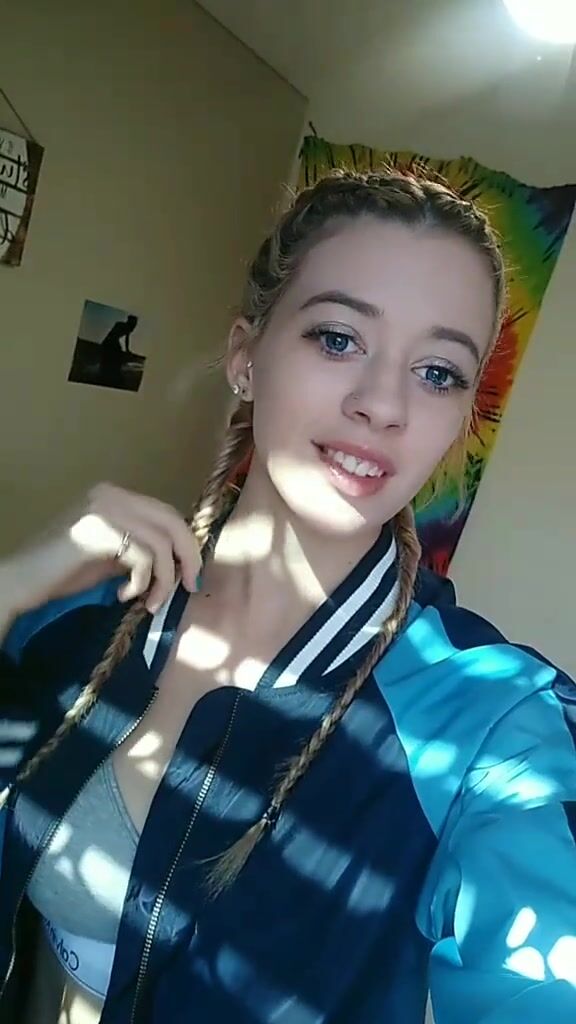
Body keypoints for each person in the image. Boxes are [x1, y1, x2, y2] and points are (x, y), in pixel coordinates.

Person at [0, 169, 575, 1024]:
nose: (382, 404)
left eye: (437, 372)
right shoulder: (85, 609)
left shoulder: (489, 720)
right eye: (339, 339)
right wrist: (8, 589)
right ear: (246, 354)